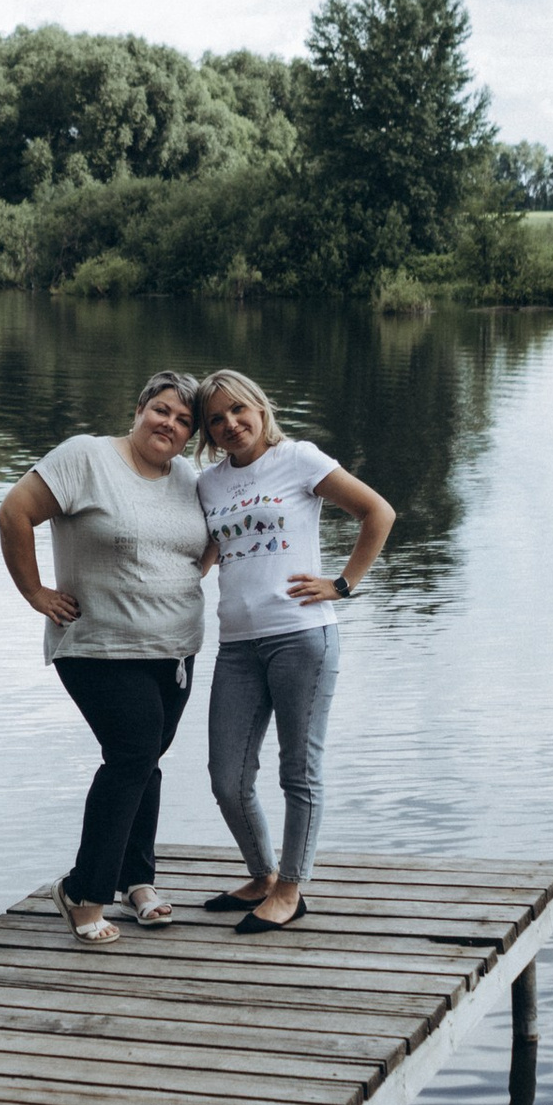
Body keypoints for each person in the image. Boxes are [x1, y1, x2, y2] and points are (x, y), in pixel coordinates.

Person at [0, 371, 209, 947]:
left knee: (147, 758)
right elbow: (13, 512)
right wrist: (36, 593)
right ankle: (84, 892)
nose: (170, 424)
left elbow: (205, 544)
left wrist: (172, 590)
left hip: (175, 651)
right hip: (97, 645)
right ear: (138, 408)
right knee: (134, 752)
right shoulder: (86, 458)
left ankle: (136, 880)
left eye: (184, 420)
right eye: (161, 410)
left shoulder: (188, 478)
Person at [195, 367, 396, 933]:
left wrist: (343, 584)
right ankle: (260, 874)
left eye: (239, 410)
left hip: (301, 637)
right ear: (208, 433)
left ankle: (290, 885)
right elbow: (216, 543)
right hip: (236, 643)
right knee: (225, 773)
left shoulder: (300, 459)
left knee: (297, 770)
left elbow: (377, 513)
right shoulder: (208, 483)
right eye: (216, 419)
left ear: (260, 408)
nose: (231, 424)